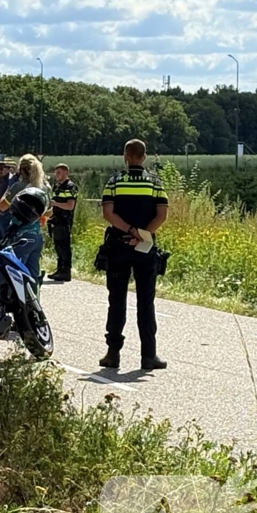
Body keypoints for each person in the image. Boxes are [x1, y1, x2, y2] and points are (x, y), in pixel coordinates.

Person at [99, 139, 169, 371]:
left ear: (125, 156)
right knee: (145, 302)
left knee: (116, 301)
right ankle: (149, 356)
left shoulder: (114, 182)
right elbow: (162, 215)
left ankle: (113, 354)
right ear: (144, 156)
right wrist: (142, 234)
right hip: (145, 247)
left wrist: (128, 231)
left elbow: (108, 213)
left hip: (118, 246)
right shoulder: (155, 183)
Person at [2, 187, 50, 291]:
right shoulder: (43, 192)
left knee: (13, 270)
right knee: (33, 273)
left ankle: (12, 300)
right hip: (37, 236)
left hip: (23, 238)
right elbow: (49, 211)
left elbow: (2, 206)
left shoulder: (19, 187)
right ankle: (33, 302)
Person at [47, 163, 78, 282]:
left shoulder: (70, 187)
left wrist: (55, 204)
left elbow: (70, 206)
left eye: (59, 173)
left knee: (64, 247)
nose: (56, 175)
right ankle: (60, 270)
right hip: (56, 220)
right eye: (55, 173)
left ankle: (66, 272)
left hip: (65, 221)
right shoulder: (57, 186)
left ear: (66, 173)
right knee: (58, 247)